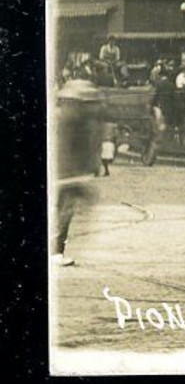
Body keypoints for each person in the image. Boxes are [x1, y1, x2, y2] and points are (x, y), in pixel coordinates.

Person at [54, 79, 104, 265]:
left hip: (66, 175)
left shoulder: (63, 117)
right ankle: (56, 252)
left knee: (62, 210)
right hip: (69, 175)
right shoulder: (73, 122)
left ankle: (56, 251)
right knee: (65, 211)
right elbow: (70, 150)